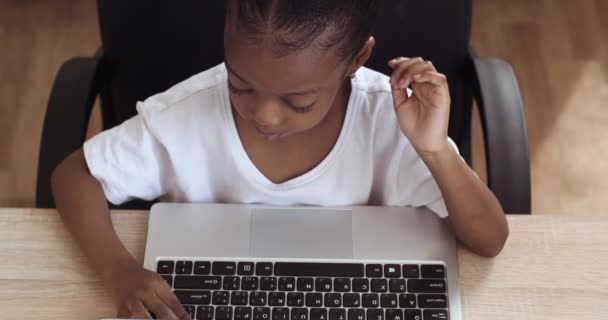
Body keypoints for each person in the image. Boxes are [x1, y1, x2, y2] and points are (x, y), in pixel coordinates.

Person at [51, 1, 508, 319]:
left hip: (365, 293)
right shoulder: (186, 116)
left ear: (357, 58)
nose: (264, 114)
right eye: (240, 84)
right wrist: (119, 270)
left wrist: (433, 150)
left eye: (299, 101)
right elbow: (75, 175)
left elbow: (489, 238)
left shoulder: (389, 121)